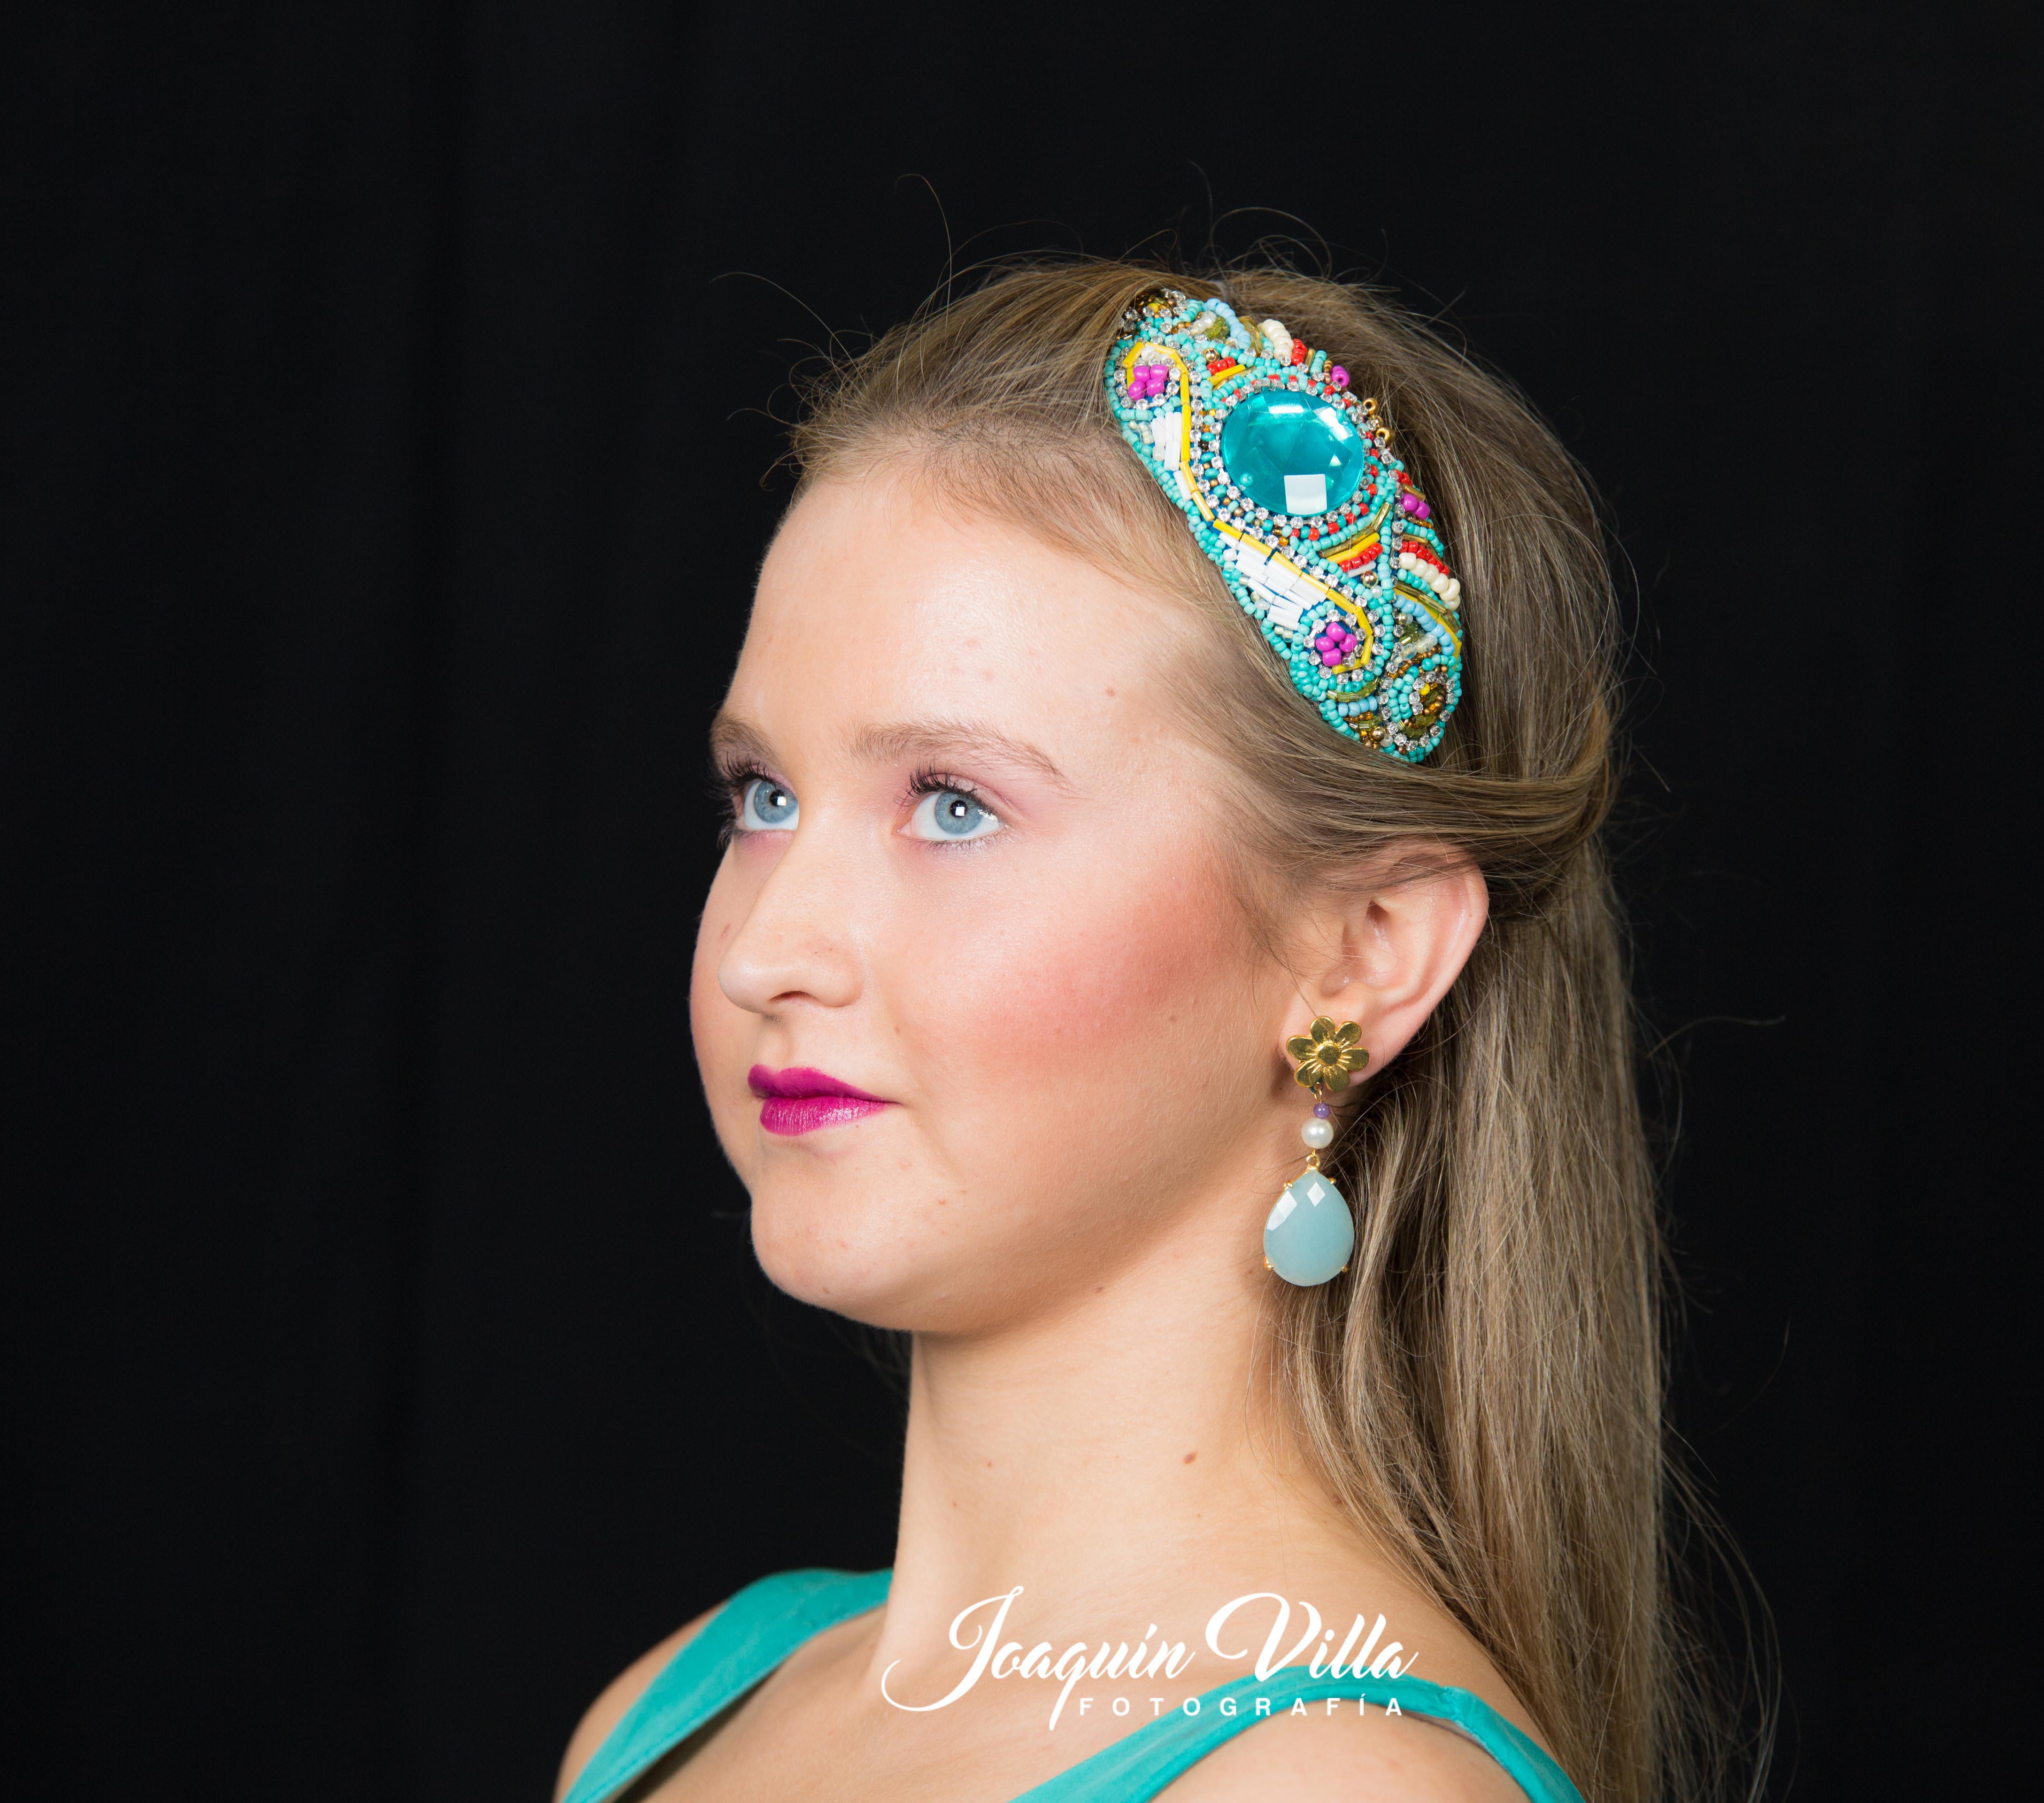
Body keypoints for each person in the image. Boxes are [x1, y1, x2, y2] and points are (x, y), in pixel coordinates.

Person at [554, 260, 1728, 1802]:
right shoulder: (674, 1713)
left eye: (954, 806)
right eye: (764, 797)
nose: (768, 951)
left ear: (1361, 955)